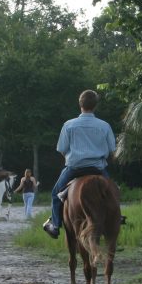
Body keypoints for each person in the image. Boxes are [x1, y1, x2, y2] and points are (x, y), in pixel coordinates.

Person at [43, 89, 118, 239]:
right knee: (114, 193)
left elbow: (62, 149)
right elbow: (112, 149)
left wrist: (72, 158)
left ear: (80, 104)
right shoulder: (104, 126)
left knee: (56, 194)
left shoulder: (69, 125)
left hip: (74, 168)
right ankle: (116, 219)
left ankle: (56, 225)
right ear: (95, 105)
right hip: (98, 168)